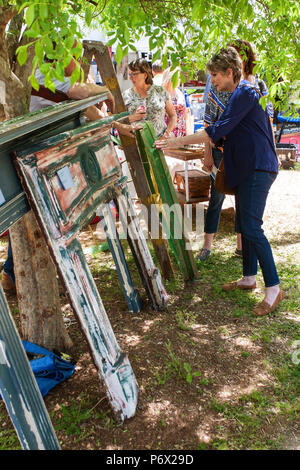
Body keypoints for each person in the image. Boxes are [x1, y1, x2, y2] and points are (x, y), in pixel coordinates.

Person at [155, 47, 284, 316]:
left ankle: (274, 288)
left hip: (258, 167)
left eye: (214, 75)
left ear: (229, 72)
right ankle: (249, 277)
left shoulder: (246, 92)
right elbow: (224, 133)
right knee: (244, 223)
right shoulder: (237, 95)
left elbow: (216, 131)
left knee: (251, 226)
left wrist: (173, 141)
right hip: (247, 167)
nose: (211, 80)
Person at [1, 52, 114, 294]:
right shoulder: (47, 73)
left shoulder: (27, 70)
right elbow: (80, 92)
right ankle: (54, 274)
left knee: (30, 217)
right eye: (71, 54)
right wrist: (105, 91)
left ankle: (12, 273)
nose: (75, 61)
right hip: (41, 158)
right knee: (54, 215)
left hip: (30, 156)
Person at [198, 40, 271, 261]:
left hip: (249, 155)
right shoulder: (217, 82)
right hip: (221, 147)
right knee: (216, 195)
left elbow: (266, 122)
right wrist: (207, 152)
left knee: (245, 203)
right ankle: (207, 245)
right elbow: (209, 121)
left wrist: (271, 154)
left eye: (238, 54)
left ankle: (242, 247)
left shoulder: (256, 86)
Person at [122, 59, 177, 139]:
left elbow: (173, 116)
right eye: (129, 74)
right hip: (136, 145)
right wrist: (133, 117)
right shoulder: (126, 95)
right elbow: (119, 122)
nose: (131, 78)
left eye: (134, 74)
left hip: (160, 144)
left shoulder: (160, 91)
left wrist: (166, 135)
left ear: (145, 74)